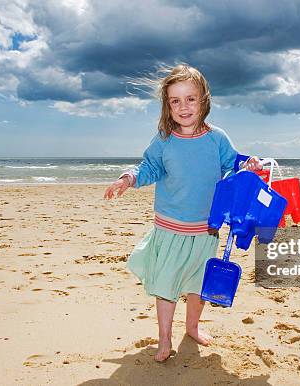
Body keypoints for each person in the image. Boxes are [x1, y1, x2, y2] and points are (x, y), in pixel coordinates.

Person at [104, 64, 262, 362]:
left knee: (197, 286)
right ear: (167, 106)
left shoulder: (217, 138)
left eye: (191, 98)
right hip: (170, 228)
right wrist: (128, 179)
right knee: (166, 287)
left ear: (204, 100)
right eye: (175, 101)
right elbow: (149, 167)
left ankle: (192, 327)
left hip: (206, 229)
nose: (184, 106)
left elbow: (232, 168)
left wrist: (248, 166)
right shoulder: (164, 139)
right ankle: (164, 339)